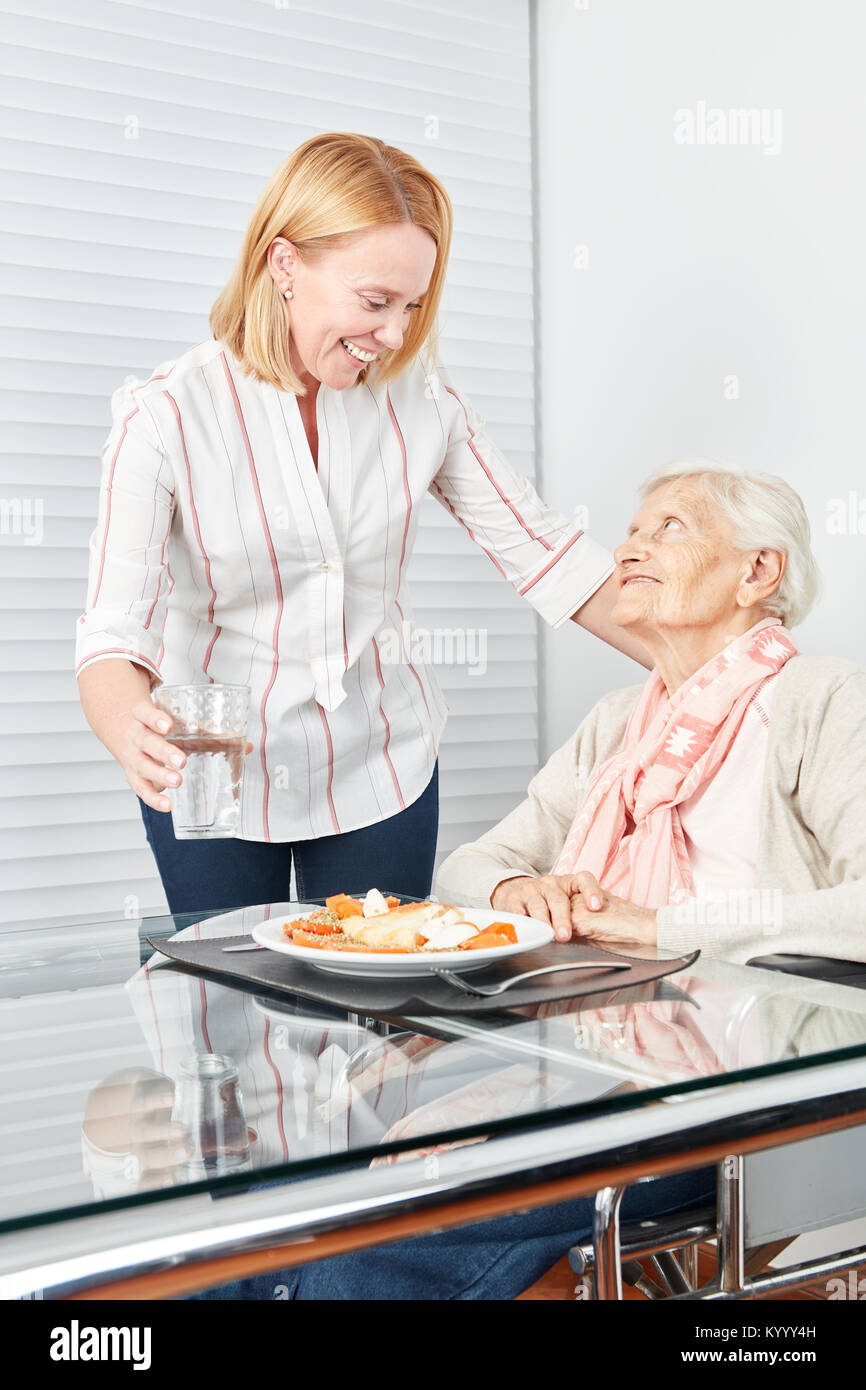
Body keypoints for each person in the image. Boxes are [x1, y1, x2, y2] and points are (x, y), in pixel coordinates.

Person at [75, 131, 648, 917]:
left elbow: (545, 552)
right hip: (215, 775)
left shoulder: (423, 402)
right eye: (375, 301)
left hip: (380, 763)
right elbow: (114, 631)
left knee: (378, 1013)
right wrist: (124, 726)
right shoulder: (167, 414)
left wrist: (720, 656)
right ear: (284, 264)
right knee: (225, 1012)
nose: (395, 334)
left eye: (412, 306)